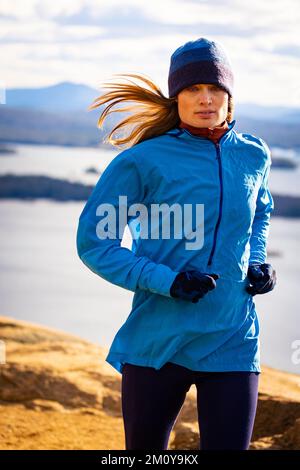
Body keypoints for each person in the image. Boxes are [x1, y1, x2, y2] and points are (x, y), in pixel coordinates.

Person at [76, 37, 277, 450]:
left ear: (229, 95)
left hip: (233, 338)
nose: (205, 99)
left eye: (215, 88)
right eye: (192, 89)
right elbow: (95, 242)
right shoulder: (142, 161)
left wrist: (257, 261)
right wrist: (166, 281)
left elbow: (259, 213)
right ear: (176, 97)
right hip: (159, 340)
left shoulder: (254, 155)